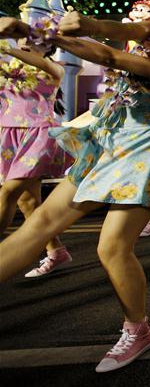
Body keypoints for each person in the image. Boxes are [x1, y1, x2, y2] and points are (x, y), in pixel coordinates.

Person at [0, 0, 150, 371]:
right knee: (38, 225)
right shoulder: (149, 33)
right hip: (105, 144)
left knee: (111, 248)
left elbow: (112, 54)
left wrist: (36, 32)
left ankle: (137, 330)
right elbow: (113, 30)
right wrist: (61, 27)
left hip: (145, 153)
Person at [0, 36, 71, 277]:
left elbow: (41, 65)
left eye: (32, 40)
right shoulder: (9, 69)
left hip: (39, 135)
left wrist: (7, 48)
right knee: (27, 202)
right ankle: (56, 251)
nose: (24, 43)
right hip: (11, 137)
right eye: (21, 39)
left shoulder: (54, 67)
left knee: (7, 193)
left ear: (48, 46)